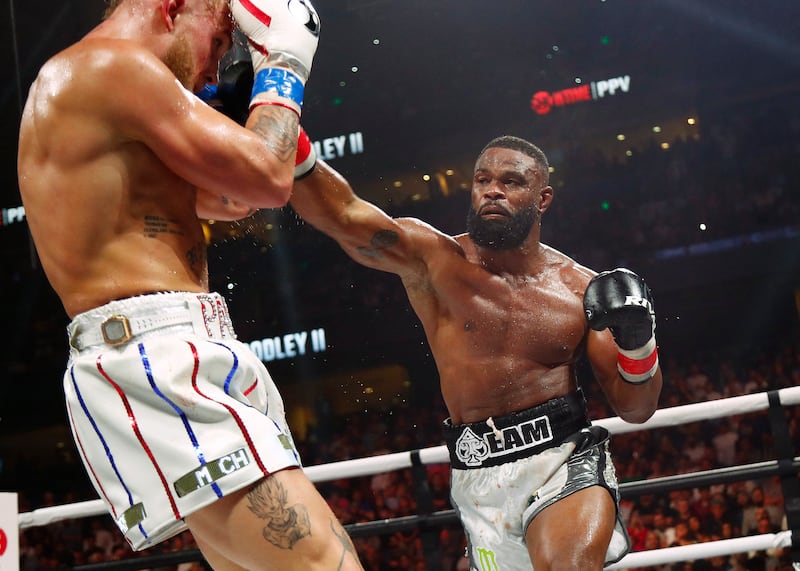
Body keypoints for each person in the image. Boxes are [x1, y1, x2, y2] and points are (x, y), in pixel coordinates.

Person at [17, 0, 363, 569]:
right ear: (174, 6)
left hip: (181, 346)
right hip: (154, 356)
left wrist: (262, 84)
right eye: (221, 44)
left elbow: (233, 195)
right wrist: (286, 58)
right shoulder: (107, 67)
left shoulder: (119, 95)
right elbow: (266, 176)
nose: (216, 70)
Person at [289, 134, 663, 570]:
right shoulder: (433, 258)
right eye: (482, 179)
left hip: (565, 461)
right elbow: (343, 214)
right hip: (476, 473)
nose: (492, 190)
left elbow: (636, 409)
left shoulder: (580, 289)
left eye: (511, 181)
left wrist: (640, 342)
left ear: (542, 199)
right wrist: (285, 129)